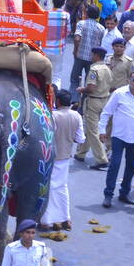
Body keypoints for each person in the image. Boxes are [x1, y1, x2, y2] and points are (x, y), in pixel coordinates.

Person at [99, 66, 134, 208]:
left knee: (131, 167)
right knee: (115, 165)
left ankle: (124, 193)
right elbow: (106, 112)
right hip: (119, 135)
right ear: (128, 80)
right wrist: (102, 130)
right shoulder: (119, 93)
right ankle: (108, 194)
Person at [45, 90, 84, 230]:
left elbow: (48, 136)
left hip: (52, 156)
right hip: (66, 156)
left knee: (50, 187)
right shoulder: (76, 116)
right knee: (62, 187)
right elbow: (81, 139)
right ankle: (65, 218)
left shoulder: (53, 116)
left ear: (58, 101)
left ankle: (48, 220)